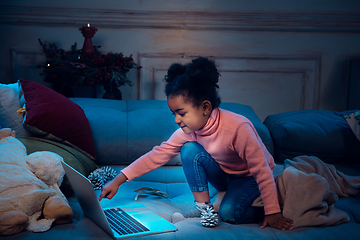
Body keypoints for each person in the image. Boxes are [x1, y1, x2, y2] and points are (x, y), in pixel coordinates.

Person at [99, 57, 294, 230]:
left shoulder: (237, 128)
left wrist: (272, 211)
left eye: (181, 113)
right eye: (173, 113)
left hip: (250, 176)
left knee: (229, 213)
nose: (176, 120)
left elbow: (261, 170)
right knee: (190, 150)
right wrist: (118, 180)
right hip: (226, 175)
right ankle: (206, 210)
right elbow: (156, 155)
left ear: (205, 108)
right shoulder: (189, 131)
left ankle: (265, 210)